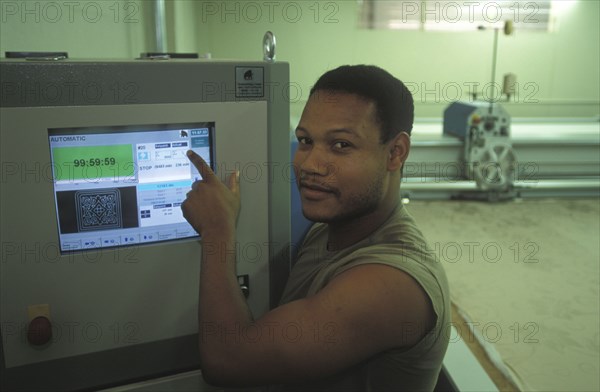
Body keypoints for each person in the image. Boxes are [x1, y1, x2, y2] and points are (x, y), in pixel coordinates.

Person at [181, 65, 450, 391]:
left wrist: (217, 231)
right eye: (306, 140)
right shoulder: (329, 228)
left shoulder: (391, 284)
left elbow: (227, 361)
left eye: (341, 145)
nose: (309, 164)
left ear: (395, 153)